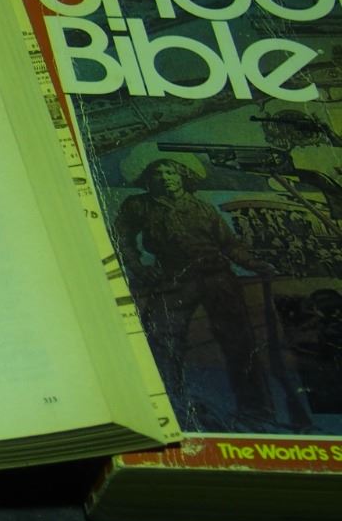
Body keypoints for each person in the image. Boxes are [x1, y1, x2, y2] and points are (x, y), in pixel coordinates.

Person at [113, 156, 275, 428]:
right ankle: (168, 408)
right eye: (158, 173)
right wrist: (138, 268)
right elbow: (122, 239)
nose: (165, 178)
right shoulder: (138, 205)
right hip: (174, 279)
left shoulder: (203, 208)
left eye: (171, 173)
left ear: (183, 177)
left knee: (239, 343)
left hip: (217, 278)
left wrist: (256, 264)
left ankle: (256, 411)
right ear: (148, 180)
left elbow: (229, 245)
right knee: (161, 340)